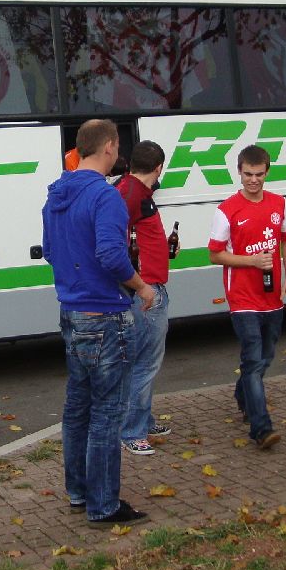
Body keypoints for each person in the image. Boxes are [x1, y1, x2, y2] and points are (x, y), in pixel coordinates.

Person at [42, 118, 155, 526]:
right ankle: (104, 505)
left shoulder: (56, 196)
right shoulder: (105, 198)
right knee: (107, 413)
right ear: (108, 146)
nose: (118, 154)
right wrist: (141, 287)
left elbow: (52, 252)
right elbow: (111, 254)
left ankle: (78, 492)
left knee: (78, 408)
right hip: (105, 316)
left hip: (71, 313)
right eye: (117, 146)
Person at [208, 145, 286, 450]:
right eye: (248, 174)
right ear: (239, 172)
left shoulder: (279, 204)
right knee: (253, 360)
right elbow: (215, 255)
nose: (254, 180)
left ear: (267, 172)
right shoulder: (227, 210)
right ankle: (261, 428)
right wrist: (251, 261)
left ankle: (242, 394)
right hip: (242, 299)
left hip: (272, 297)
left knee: (264, 359)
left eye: (259, 174)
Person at [116, 140, 172, 456]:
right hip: (147, 292)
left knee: (143, 361)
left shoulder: (133, 190)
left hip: (148, 285)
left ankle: (144, 419)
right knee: (145, 363)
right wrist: (141, 284)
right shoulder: (130, 193)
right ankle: (132, 431)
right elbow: (115, 241)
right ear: (158, 167)